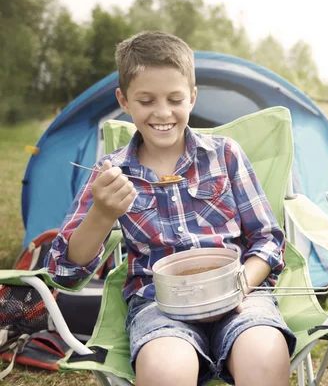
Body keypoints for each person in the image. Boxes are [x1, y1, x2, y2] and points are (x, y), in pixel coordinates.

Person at [45, 31, 295, 386]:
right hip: (158, 305)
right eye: (146, 101)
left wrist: (239, 285)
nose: (162, 112)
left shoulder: (226, 155)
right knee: (166, 369)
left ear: (192, 98)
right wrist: (102, 214)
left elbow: (268, 240)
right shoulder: (111, 172)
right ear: (124, 100)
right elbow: (64, 272)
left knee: (264, 353)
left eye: (174, 99)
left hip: (239, 295)